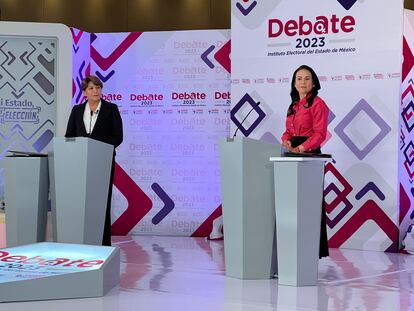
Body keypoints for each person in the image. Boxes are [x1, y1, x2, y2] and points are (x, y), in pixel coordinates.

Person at [65, 75, 123, 246]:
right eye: (91, 88)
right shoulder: (76, 110)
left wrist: (99, 148)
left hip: (103, 162)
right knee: (80, 202)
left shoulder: (111, 109)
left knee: (102, 202)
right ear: (84, 92)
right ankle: (80, 239)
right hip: (80, 163)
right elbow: (69, 136)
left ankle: (103, 243)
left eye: (98, 87)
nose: (95, 91)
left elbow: (117, 136)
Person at [281, 65, 329, 258]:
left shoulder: (318, 103)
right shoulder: (293, 106)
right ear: (294, 83)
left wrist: (301, 148)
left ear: (314, 82)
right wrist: (286, 141)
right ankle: (292, 250)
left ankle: (310, 251)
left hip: (310, 154)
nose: (303, 82)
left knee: (309, 205)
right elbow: (288, 131)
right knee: (292, 204)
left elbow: (320, 134)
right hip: (292, 153)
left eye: (307, 78)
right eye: (299, 78)